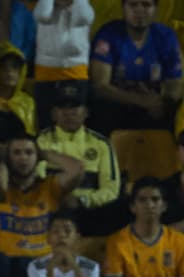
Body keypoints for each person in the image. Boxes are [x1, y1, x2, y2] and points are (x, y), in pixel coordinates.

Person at [0, 133, 84, 277]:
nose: (23, 158)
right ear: (8, 158)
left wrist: (43, 154)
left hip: (42, 264)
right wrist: (3, 161)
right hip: (6, 266)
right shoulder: (0, 190)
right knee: (2, 263)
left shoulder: (49, 187)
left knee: (30, 266)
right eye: (17, 153)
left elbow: (78, 168)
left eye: (29, 153)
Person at [36, 83, 121, 236]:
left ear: (86, 112)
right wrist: (58, 198)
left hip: (88, 211)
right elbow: (37, 180)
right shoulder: (40, 142)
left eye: (74, 107)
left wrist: (82, 201)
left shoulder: (101, 143)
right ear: (54, 114)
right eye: (63, 107)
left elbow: (111, 189)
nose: (69, 113)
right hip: (51, 208)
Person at [103, 178, 184, 277]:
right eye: (142, 200)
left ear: (164, 206)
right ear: (133, 207)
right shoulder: (118, 242)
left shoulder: (178, 241)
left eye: (155, 199)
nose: (149, 205)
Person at [89, 0, 183, 135]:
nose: (139, 10)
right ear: (123, 8)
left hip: (155, 108)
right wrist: (142, 101)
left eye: (146, 5)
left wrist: (164, 103)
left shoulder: (166, 36)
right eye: (133, 4)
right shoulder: (108, 33)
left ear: (155, 9)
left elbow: (176, 81)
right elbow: (100, 87)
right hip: (117, 108)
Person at [32, 0, 94, 122]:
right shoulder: (45, 5)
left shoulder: (82, 5)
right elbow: (42, 15)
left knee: (74, 121)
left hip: (76, 72)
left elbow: (83, 17)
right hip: (46, 72)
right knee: (46, 120)